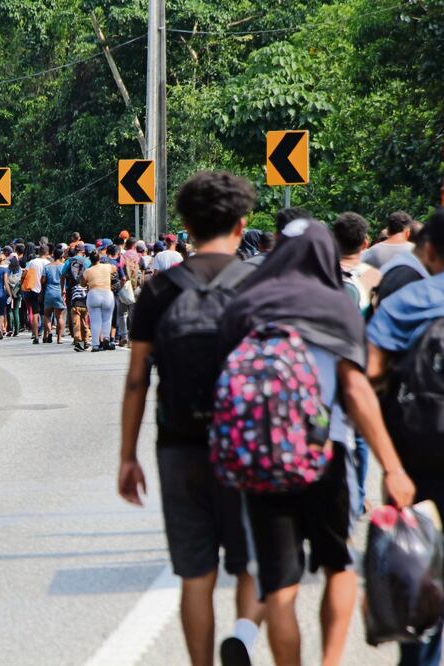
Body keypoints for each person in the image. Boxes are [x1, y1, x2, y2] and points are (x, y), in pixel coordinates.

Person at [220, 218, 415, 666]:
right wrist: (392, 466)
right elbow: (357, 391)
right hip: (327, 452)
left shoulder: (245, 305)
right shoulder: (335, 304)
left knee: (279, 583)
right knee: (338, 565)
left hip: (263, 456)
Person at [120, 171, 263, 666]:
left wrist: (127, 456)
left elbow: (137, 379)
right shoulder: (259, 285)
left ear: (185, 226)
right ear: (241, 224)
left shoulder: (160, 289)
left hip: (179, 443)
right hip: (248, 445)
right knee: (253, 564)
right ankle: (243, 638)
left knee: (195, 576)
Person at [366, 207, 444, 666]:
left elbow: (367, 379)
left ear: (428, 250)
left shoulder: (407, 302)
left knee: (417, 571)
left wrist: (390, 464)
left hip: (416, 458)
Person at [332, 212, 383, 515]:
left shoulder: (321, 273)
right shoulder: (374, 277)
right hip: (360, 362)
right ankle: (359, 495)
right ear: (365, 242)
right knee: (361, 434)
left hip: (326, 363)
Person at [82, 252, 115, 352]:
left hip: (94, 294)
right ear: (99, 259)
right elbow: (115, 268)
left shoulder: (88, 271)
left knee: (95, 321)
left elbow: (83, 284)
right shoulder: (107, 267)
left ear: (90, 260)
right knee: (107, 318)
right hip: (107, 294)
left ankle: (95, 345)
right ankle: (106, 338)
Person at [22, 245, 50, 344]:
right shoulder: (49, 263)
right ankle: (45, 335)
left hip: (34, 289)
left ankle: (36, 336)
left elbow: (24, 274)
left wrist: (22, 282)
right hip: (45, 290)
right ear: (47, 253)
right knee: (46, 314)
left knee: (35, 313)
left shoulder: (32, 262)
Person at [42, 248, 66, 344]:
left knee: (47, 315)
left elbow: (43, 280)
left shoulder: (47, 267)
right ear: (61, 256)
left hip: (49, 292)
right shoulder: (63, 266)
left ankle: (49, 332)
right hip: (59, 292)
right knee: (59, 317)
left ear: (53, 255)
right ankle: (59, 338)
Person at [7, 256, 23, 337]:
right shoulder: (20, 270)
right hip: (17, 291)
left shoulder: (8, 269)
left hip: (9, 291)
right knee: (16, 310)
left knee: (9, 310)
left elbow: (6, 279)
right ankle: (17, 330)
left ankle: (10, 329)